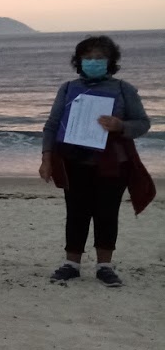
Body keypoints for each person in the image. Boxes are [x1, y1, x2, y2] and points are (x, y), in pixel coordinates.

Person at [40, 35, 155, 288]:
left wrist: (120, 125)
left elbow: (143, 124)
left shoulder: (124, 89)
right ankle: (72, 264)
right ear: (78, 61)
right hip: (73, 161)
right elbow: (50, 126)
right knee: (76, 213)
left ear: (110, 62)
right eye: (88, 58)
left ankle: (105, 266)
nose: (93, 62)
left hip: (113, 164)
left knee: (107, 213)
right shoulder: (68, 88)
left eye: (99, 58)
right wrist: (46, 158)